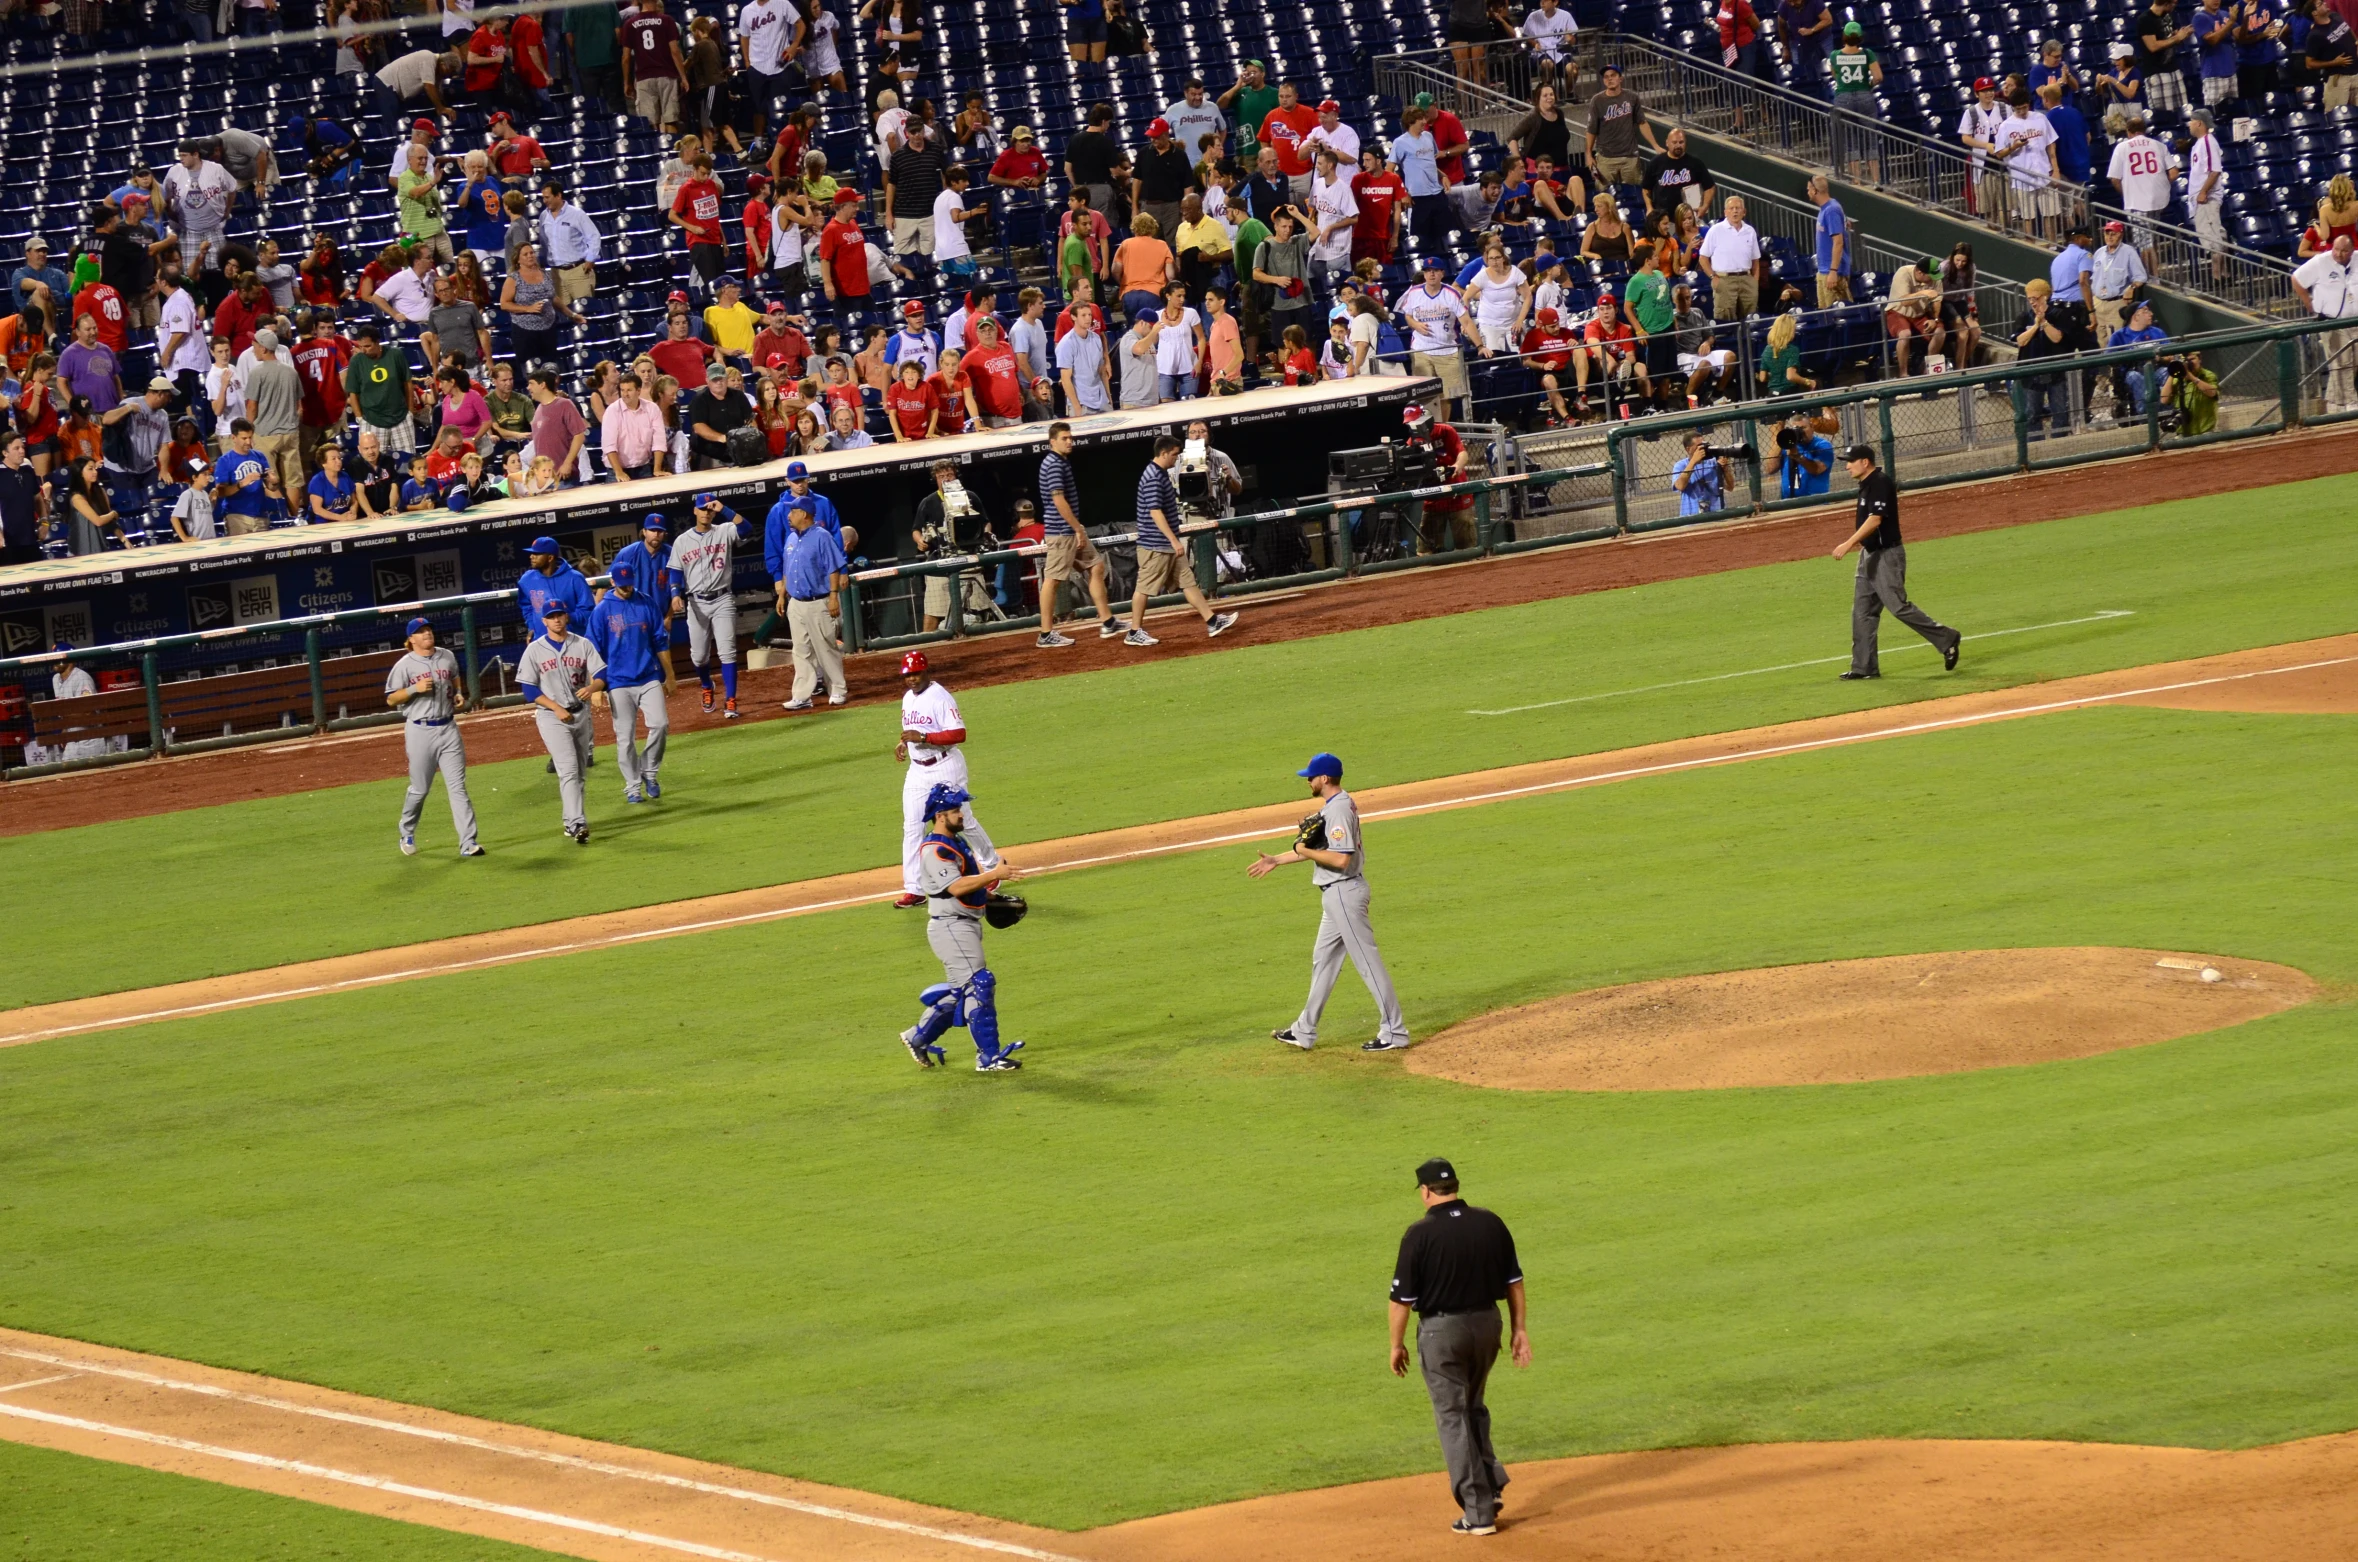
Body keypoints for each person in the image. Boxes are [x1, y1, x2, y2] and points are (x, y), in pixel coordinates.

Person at [1385, 1157, 1529, 1539]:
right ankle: (1490, 1483)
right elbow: (1514, 1281)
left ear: (1425, 1191)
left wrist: (1396, 1344)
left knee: (1452, 1416)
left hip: (1442, 1333)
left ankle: (1479, 1510)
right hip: (1487, 1327)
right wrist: (1520, 1330)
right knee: (1473, 1406)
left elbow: (1401, 1301)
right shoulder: (1490, 1222)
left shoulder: (1419, 1234)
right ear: (1456, 1187)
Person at [1253, 748, 1410, 1050]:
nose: (1307, 780)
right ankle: (1304, 1030)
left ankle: (1395, 1032)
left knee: (1367, 963)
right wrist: (1278, 859)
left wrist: (1303, 851)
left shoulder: (1337, 809)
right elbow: (1318, 851)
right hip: (1336, 894)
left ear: (1324, 778)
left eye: (1311, 776)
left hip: (1344, 892)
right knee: (1323, 962)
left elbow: (1339, 860)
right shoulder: (1338, 804)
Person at [900, 783, 1025, 1072]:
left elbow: (966, 883)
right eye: (956, 810)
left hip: (962, 925)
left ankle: (917, 1037)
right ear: (940, 815)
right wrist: (995, 874)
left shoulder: (957, 844)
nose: (961, 814)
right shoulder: (935, 850)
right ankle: (989, 1058)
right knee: (980, 983)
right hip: (951, 927)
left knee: (961, 992)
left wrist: (992, 896)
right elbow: (955, 887)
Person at [1833, 444, 1960, 679]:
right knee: (1862, 611)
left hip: (1886, 556)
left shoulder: (1880, 482)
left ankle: (1946, 637)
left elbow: (1875, 520)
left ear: (1865, 462)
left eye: (1851, 461)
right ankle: (1864, 667)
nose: (1847, 466)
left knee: (1898, 607)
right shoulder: (1866, 485)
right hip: (1869, 555)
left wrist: (1848, 543)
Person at [1122, 436, 1238, 646]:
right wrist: (1174, 541)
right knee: (1144, 588)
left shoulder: (1159, 474)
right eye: (1175, 454)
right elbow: (1155, 512)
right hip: (1155, 545)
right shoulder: (1153, 476)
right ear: (1164, 453)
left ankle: (1212, 621)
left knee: (1188, 583)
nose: (1177, 459)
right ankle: (1134, 631)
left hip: (1165, 543)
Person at [385, 615, 485, 858]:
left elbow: (453, 676)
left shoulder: (446, 655)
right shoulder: (404, 665)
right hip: (420, 730)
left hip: (449, 728)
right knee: (420, 788)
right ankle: (406, 830)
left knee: (458, 787)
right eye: (420, 631)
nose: (427, 634)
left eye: (428, 629)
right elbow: (390, 698)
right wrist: (413, 689)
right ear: (411, 639)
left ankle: (468, 842)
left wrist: (459, 692)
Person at [518, 599, 609, 844]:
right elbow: (528, 689)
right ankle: (578, 822)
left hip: (581, 714)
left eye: (560, 615)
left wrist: (593, 687)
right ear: (544, 621)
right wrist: (556, 707)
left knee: (579, 773)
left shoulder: (582, 644)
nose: (557, 619)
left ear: (566, 617)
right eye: (552, 616)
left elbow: (601, 675)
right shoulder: (534, 650)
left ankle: (570, 822)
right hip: (551, 717)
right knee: (568, 769)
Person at [1034, 421, 1128, 647]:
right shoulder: (1054, 464)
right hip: (1062, 531)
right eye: (1064, 438)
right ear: (1052, 441)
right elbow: (1058, 500)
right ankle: (1046, 634)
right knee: (1053, 581)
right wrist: (1077, 528)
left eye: (1070, 438)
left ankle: (1107, 621)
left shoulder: (1060, 462)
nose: (1069, 442)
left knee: (1096, 567)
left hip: (1069, 530)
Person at [586, 560, 672, 806]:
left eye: (629, 584)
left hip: (648, 676)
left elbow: (660, 641)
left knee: (660, 724)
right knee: (625, 738)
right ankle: (633, 786)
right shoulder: (602, 611)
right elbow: (594, 651)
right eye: (622, 585)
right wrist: (596, 686)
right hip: (618, 682)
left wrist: (670, 675)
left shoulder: (645, 602)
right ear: (612, 582)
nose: (626, 589)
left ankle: (650, 771)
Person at [664, 496, 751, 717]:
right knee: (699, 657)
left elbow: (746, 528)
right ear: (694, 510)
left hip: (723, 599)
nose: (706, 512)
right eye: (702, 508)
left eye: (710, 509)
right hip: (696, 602)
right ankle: (706, 686)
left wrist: (725, 509)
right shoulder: (682, 541)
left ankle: (730, 700)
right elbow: (675, 571)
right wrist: (675, 594)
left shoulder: (724, 530)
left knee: (727, 652)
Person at [777, 498, 846, 711]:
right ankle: (802, 695)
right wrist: (782, 596)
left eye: (793, 511)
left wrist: (833, 596)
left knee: (826, 647)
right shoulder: (790, 538)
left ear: (804, 514)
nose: (789, 516)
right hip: (796, 603)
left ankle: (838, 689)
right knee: (800, 650)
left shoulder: (822, 537)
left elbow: (833, 568)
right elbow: (788, 570)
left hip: (819, 601)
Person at [2291, 233, 2358, 412]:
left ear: (2352, 251)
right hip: (2333, 323)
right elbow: (2296, 280)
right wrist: (2310, 305)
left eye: (2344, 250)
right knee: (2342, 364)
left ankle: (2333, 404)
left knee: (2354, 364)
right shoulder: (2321, 261)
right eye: (2336, 249)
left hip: (2356, 322)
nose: (2339, 253)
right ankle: (2351, 404)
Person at [1585, 64, 1662, 190]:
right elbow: (1591, 130)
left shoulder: (1631, 97)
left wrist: (1656, 146)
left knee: (1634, 194)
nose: (1609, 79)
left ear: (1620, 78)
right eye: (1606, 77)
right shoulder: (1597, 100)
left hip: (1629, 157)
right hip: (1606, 158)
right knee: (1605, 197)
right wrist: (1588, 155)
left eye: (1613, 75)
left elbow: (1642, 123)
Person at [1828, 23, 1884, 182]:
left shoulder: (1835, 55)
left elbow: (1834, 75)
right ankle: (1875, 181)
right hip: (1864, 96)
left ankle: (1857, 181)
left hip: (1843, 98)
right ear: (1860, 38)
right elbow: (1878, 76)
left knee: (1850, 139)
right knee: (1870, 138)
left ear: (1844, 37)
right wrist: (1867, 85)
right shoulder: (1868, 54)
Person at [1699, 195, 1764, 322]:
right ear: (1725, 212)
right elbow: (1703, 258)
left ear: (1744, 212)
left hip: (1747, 280)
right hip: (1724, 280)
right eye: (1731, 208)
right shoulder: (1715, 230)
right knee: (1725, 320)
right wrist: (1713, 277)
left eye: (1738, 208)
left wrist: (1754, 281)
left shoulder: (1750, 231)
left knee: (1750, 319)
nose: (1735, 211)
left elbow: (1755, 260)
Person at [1884, 256, 1945, 374]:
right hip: (1898, 312)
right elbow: (1905, 302)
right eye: (1930, 276)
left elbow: (1937, 301)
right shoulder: (1903, 273)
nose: (1934, 279)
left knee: (1940, 333)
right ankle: (1903, 374)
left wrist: (1935, 319)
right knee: (1905, 334)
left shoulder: (1936, 277)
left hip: (1920, 313)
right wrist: (1923, 293)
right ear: (1919, 272)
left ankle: (1930, 370)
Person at [1808, 174, 1851, 307]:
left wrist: (1833, 271)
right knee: (1825, 314)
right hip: (1824, 270)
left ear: (1815, 190)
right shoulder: (1826, 209)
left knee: (1835, 315)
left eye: (1809, 189)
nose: (1807, 192)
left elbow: (1838, 242)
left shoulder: (1831, 209)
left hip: (1832, 272)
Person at [1670, 430, 1728, 516]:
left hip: (1716, 514)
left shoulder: (1713, 462)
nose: (1703, 448)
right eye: (1699, 446)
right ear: (1688, 449)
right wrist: (1693, 461)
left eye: (1703, 445)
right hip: (1691, 518)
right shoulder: (1680, 465)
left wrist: (1726, 469)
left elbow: (1730, 487)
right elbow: (1680, 486)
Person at [1777, 410, 1834, 497]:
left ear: (1812, 427)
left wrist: (1797, 456)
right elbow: (1770, 469)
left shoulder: (1822, 445)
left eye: (1803, 428)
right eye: (1796, 429)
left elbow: (1817, 469)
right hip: (1788, 503)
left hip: (1815, 503)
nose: (1800, 432)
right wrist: (1778, 436)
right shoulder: (1787, 445)